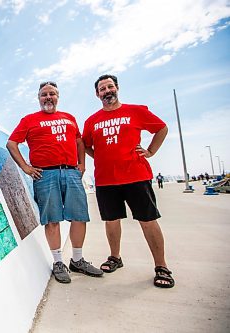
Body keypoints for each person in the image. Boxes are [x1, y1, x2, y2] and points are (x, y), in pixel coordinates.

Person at [82, 74, 175, 288]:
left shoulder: (136, 111)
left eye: (110, 86)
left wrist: (150, 150)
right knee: (111, 221)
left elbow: (161, 128)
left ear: (117, 88)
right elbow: (86, 144)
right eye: (102, 89)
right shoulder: (92, 121)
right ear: (97, 94)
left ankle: (161, 266)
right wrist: (101, 157)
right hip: (106, 180)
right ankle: (115, 257)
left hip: (136, 176)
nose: (107, 91)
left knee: (148, 220)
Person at [7, 81, 103, 284]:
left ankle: (77, 260)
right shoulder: (29, 120)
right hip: (46, 175)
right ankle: (58, 262)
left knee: (79, 216)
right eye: (44, 94)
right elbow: (12, 143)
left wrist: (82, 164)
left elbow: (79, 141)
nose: (48, 97)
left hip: (70, 172)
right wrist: (26, 167)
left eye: (52, 93)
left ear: (57, 96)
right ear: (39, 98)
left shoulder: (69, 118)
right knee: (52, 219)